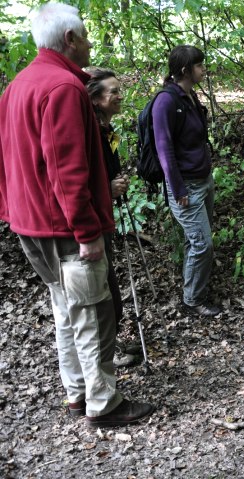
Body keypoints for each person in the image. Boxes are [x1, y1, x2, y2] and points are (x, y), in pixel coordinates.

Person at [0, 2, 154, 427]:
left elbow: (6, 161)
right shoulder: (63, 89)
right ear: (70, 39)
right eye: (85, 36)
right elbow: (67, 170)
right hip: (65, 227)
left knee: (66, 310)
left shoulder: (17, 87)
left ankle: (76, 393)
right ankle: (103, 403)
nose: (88, 44)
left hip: (30, 225)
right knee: (92, 313)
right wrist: (87, 231)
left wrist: (10, 210)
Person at [152, 45, 221, 317]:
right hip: (186, 187)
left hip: (203, 180)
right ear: (185, 70)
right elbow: (164, 148)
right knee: (202, 244)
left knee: (197, 242)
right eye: (199, 65)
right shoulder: (166, 102)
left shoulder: (189, 96)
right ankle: (192, 300)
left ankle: (193, 289)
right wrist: (178, 188)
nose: (204, 69)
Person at [86, 68, 141, 368]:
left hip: (104, 215)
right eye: (113, 92)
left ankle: (112, 343)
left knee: (110, 287)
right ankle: (107, 352)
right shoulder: (90, 131)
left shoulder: (107, 129)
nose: (120, 96)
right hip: (91, 220)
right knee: (105, 293)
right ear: (95, 99)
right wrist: (107, 189)